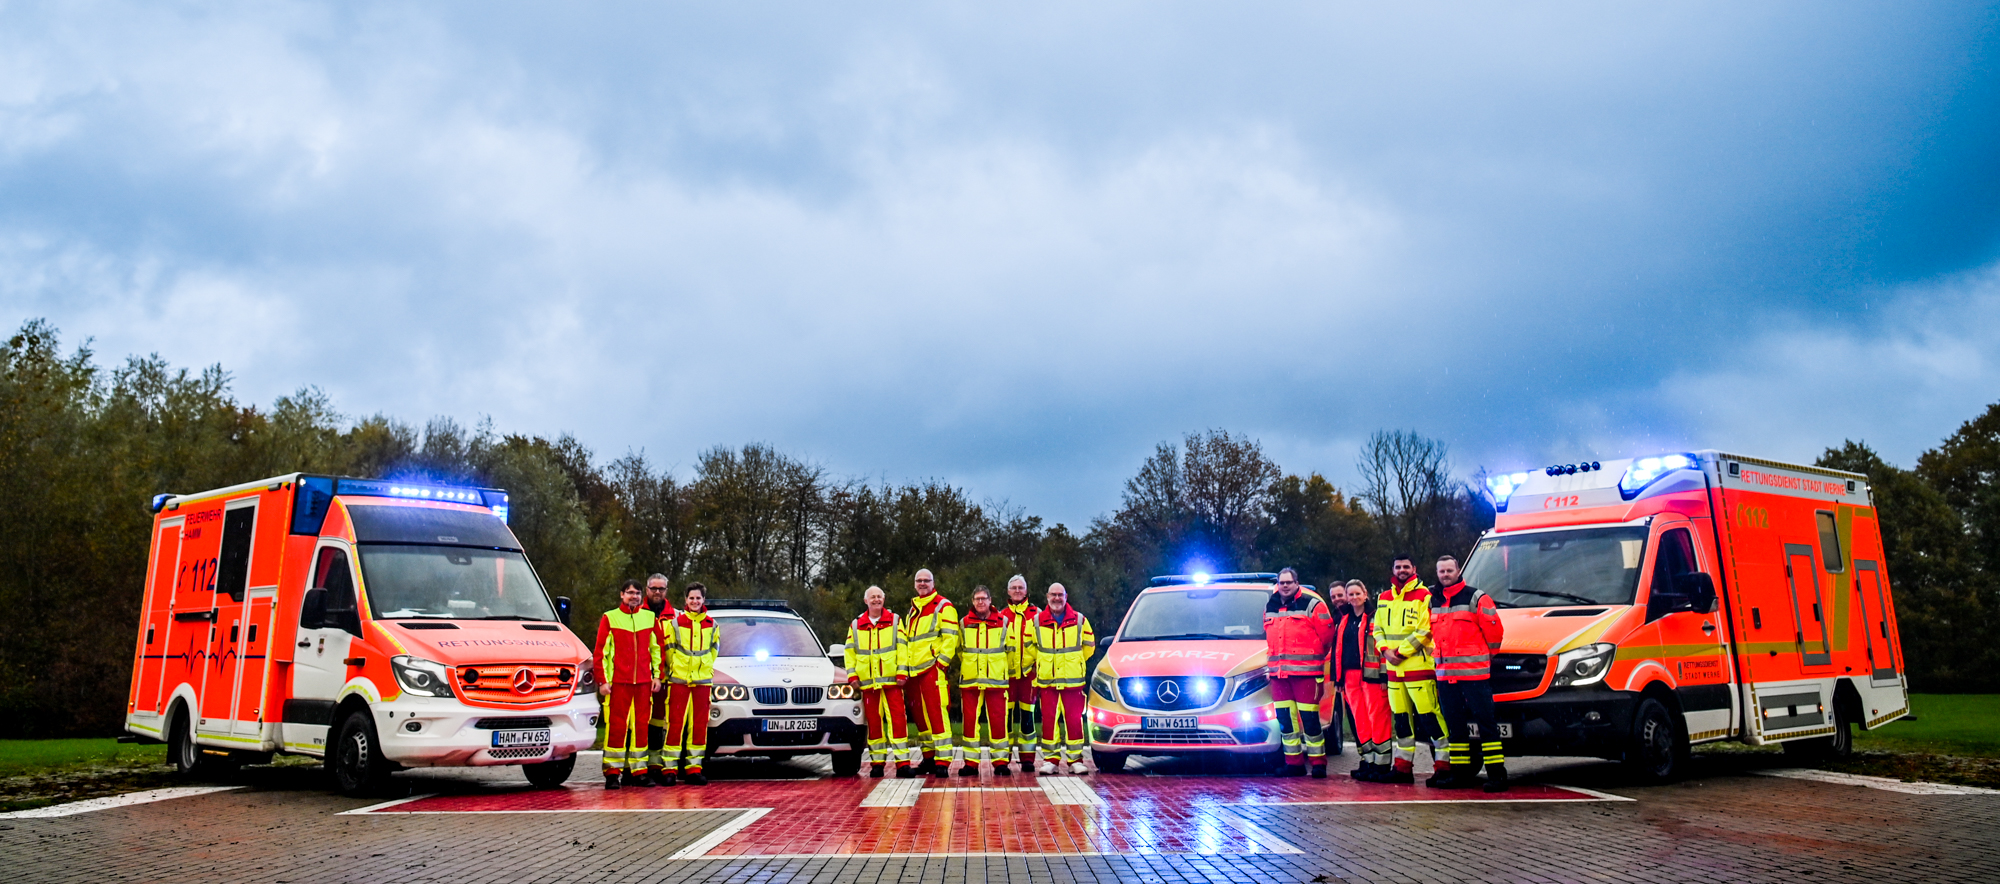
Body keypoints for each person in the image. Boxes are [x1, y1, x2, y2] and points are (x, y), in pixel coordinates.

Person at [1430, 555, 1508, 791]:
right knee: (1456, 727)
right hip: (1446, 676)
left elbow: (1495, 633)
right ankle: (1460, 774)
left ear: (1458, 570)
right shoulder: (1433, 600)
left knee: (1486, 725)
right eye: (1441, 571)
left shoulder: (1476, 597)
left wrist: (1485, 657)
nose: (1445, 575)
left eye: (1449, 570)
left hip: (1474, 675)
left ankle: (1497, 775)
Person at [1373, 555, 1449, 785]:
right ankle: (1403, 768)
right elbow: (1377, 628)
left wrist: (1399, 653)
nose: (1402, 570)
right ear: (1393, 569)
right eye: (1398, 567)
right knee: (1402, 720)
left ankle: (1444, 767)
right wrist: (1385, 650)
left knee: (1430, 719)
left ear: (1414, 569)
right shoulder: (1384, 597)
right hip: (1394, 670)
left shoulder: (1425, 596)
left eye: (1406, 567)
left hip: (1418, 668)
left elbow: (1426, 630)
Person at [1263, 568, 1333, 777]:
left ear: (1297, 583)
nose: (1285, 586)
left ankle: (1318, 763)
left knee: (1310, 720)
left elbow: (1327, 637)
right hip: (1279, 676)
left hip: (1306, 675)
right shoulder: (1271, 605)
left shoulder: (1312, 604)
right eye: (1281, 582)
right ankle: (1294, 763)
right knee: (1286, 721)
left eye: (1289, 582)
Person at [594, 579, 661, 789]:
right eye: (630, 592)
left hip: (642, 683)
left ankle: (639, 772)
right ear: (621, 595)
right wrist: (603, 681)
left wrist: (657, 676)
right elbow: (600, 653)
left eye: (638, 593)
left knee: (641, 728)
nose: (634, 596)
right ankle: (612, 774)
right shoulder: (610, 617)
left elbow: (657, 649)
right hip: (618, 684)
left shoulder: (650, 618)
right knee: (616, 728)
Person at [846, 585, 914, 777]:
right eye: (872, 597)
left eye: (879, 597)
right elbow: (849, 652)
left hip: (892, 683)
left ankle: (903, 764)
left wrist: (902, 673)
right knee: (874, 724)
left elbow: (903, 649)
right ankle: (877, 763)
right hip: (868, 684)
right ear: (865, 601)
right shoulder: (856, 624)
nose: (876, 600)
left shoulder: (894, 621)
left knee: (898, 720)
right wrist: (852, 676)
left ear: (884, 600)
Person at [1330, 579, 1394, 782]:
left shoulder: (1376, 617)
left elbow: (1383, 648)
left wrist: (1385, 675)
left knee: (1378, 718)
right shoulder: (1344, 619)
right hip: (1349, 676)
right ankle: (1367, 761)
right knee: (1360, 721)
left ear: (1365, 594)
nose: (1354, 597)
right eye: (1351, 594)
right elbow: (1337, 650)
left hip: (1372, 675)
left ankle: (1382, 765)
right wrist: (1337, 678)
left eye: (1358, 593)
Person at [902, 569, 961, 776]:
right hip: (914, 671)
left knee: (936, 713)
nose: (922, 584)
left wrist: (941, 664)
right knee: (920, 717)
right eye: (919, 580)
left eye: (926, 580)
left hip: (931, 669)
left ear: (933, 582)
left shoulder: (943, 606)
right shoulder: (913, 610)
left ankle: (943, 761)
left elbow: (951, 637)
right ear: (914, 584)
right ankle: (928, 757)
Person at [1033, 582, 1095, 775]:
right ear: (1047, 597)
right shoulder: (1036, 621)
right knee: (1049, 720)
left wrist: (1073, 663)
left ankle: (1075, 760)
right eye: (1053, 594)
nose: (1057, 598)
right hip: (1048, 680)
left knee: (1074, 720)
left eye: (1060, 594)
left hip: (1072, 681)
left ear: (1066, 597)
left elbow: (1089, 646)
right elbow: (1029, 648)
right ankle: (1050, 760)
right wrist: (1044, 664)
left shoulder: (1080, 620)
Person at [660, 583, 718, 786]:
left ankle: (694, 768)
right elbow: (668, 651)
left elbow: (714, 650)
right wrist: (675, 669)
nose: (695, 602)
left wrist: (706, 668)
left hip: (702, 682)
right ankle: (669, 769)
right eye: (691, 598)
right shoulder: (675, 624)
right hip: (680, 680)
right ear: (685, 600)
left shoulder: (712, 624)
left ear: (704, 600)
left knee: (699, 727)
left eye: (698, 598)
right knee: (675, 724)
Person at [956, 585, 1014, 776]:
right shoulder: (964, 623)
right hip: (971, 680)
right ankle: (971, 763)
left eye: (984, 598)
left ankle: (1000, 762)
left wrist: (1004, 670)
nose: (981, 602)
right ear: (972, 602)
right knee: (970, 723)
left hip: (996, 680)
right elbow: (959, 650)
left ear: (990, 600)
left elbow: (1011, 650)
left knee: (998, 721)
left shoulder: (1003, 622)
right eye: (977, 599)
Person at [1001, 575, 1042, 769]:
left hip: (1028, 676)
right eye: (1014, 588)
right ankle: (1004, 759)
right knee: (1006, 719)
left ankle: (1027, 760)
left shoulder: (1037, 615)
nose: (1017, 591)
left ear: (1026, 591)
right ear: (1008, 591)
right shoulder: (1001, 616)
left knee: (1028, 719)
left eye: (1021, 588)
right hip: (1007, 676)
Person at [641, 573, 678, 784]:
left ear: (666, 590)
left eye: (661, 589)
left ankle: (655, 765)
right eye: (653, 588)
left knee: (658, 723)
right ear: (647, 590)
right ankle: (634, 767)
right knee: (635, 723)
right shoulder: (638, 613)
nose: (657, 592)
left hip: (664, 679)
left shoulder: (675, 617)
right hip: (638, 677)